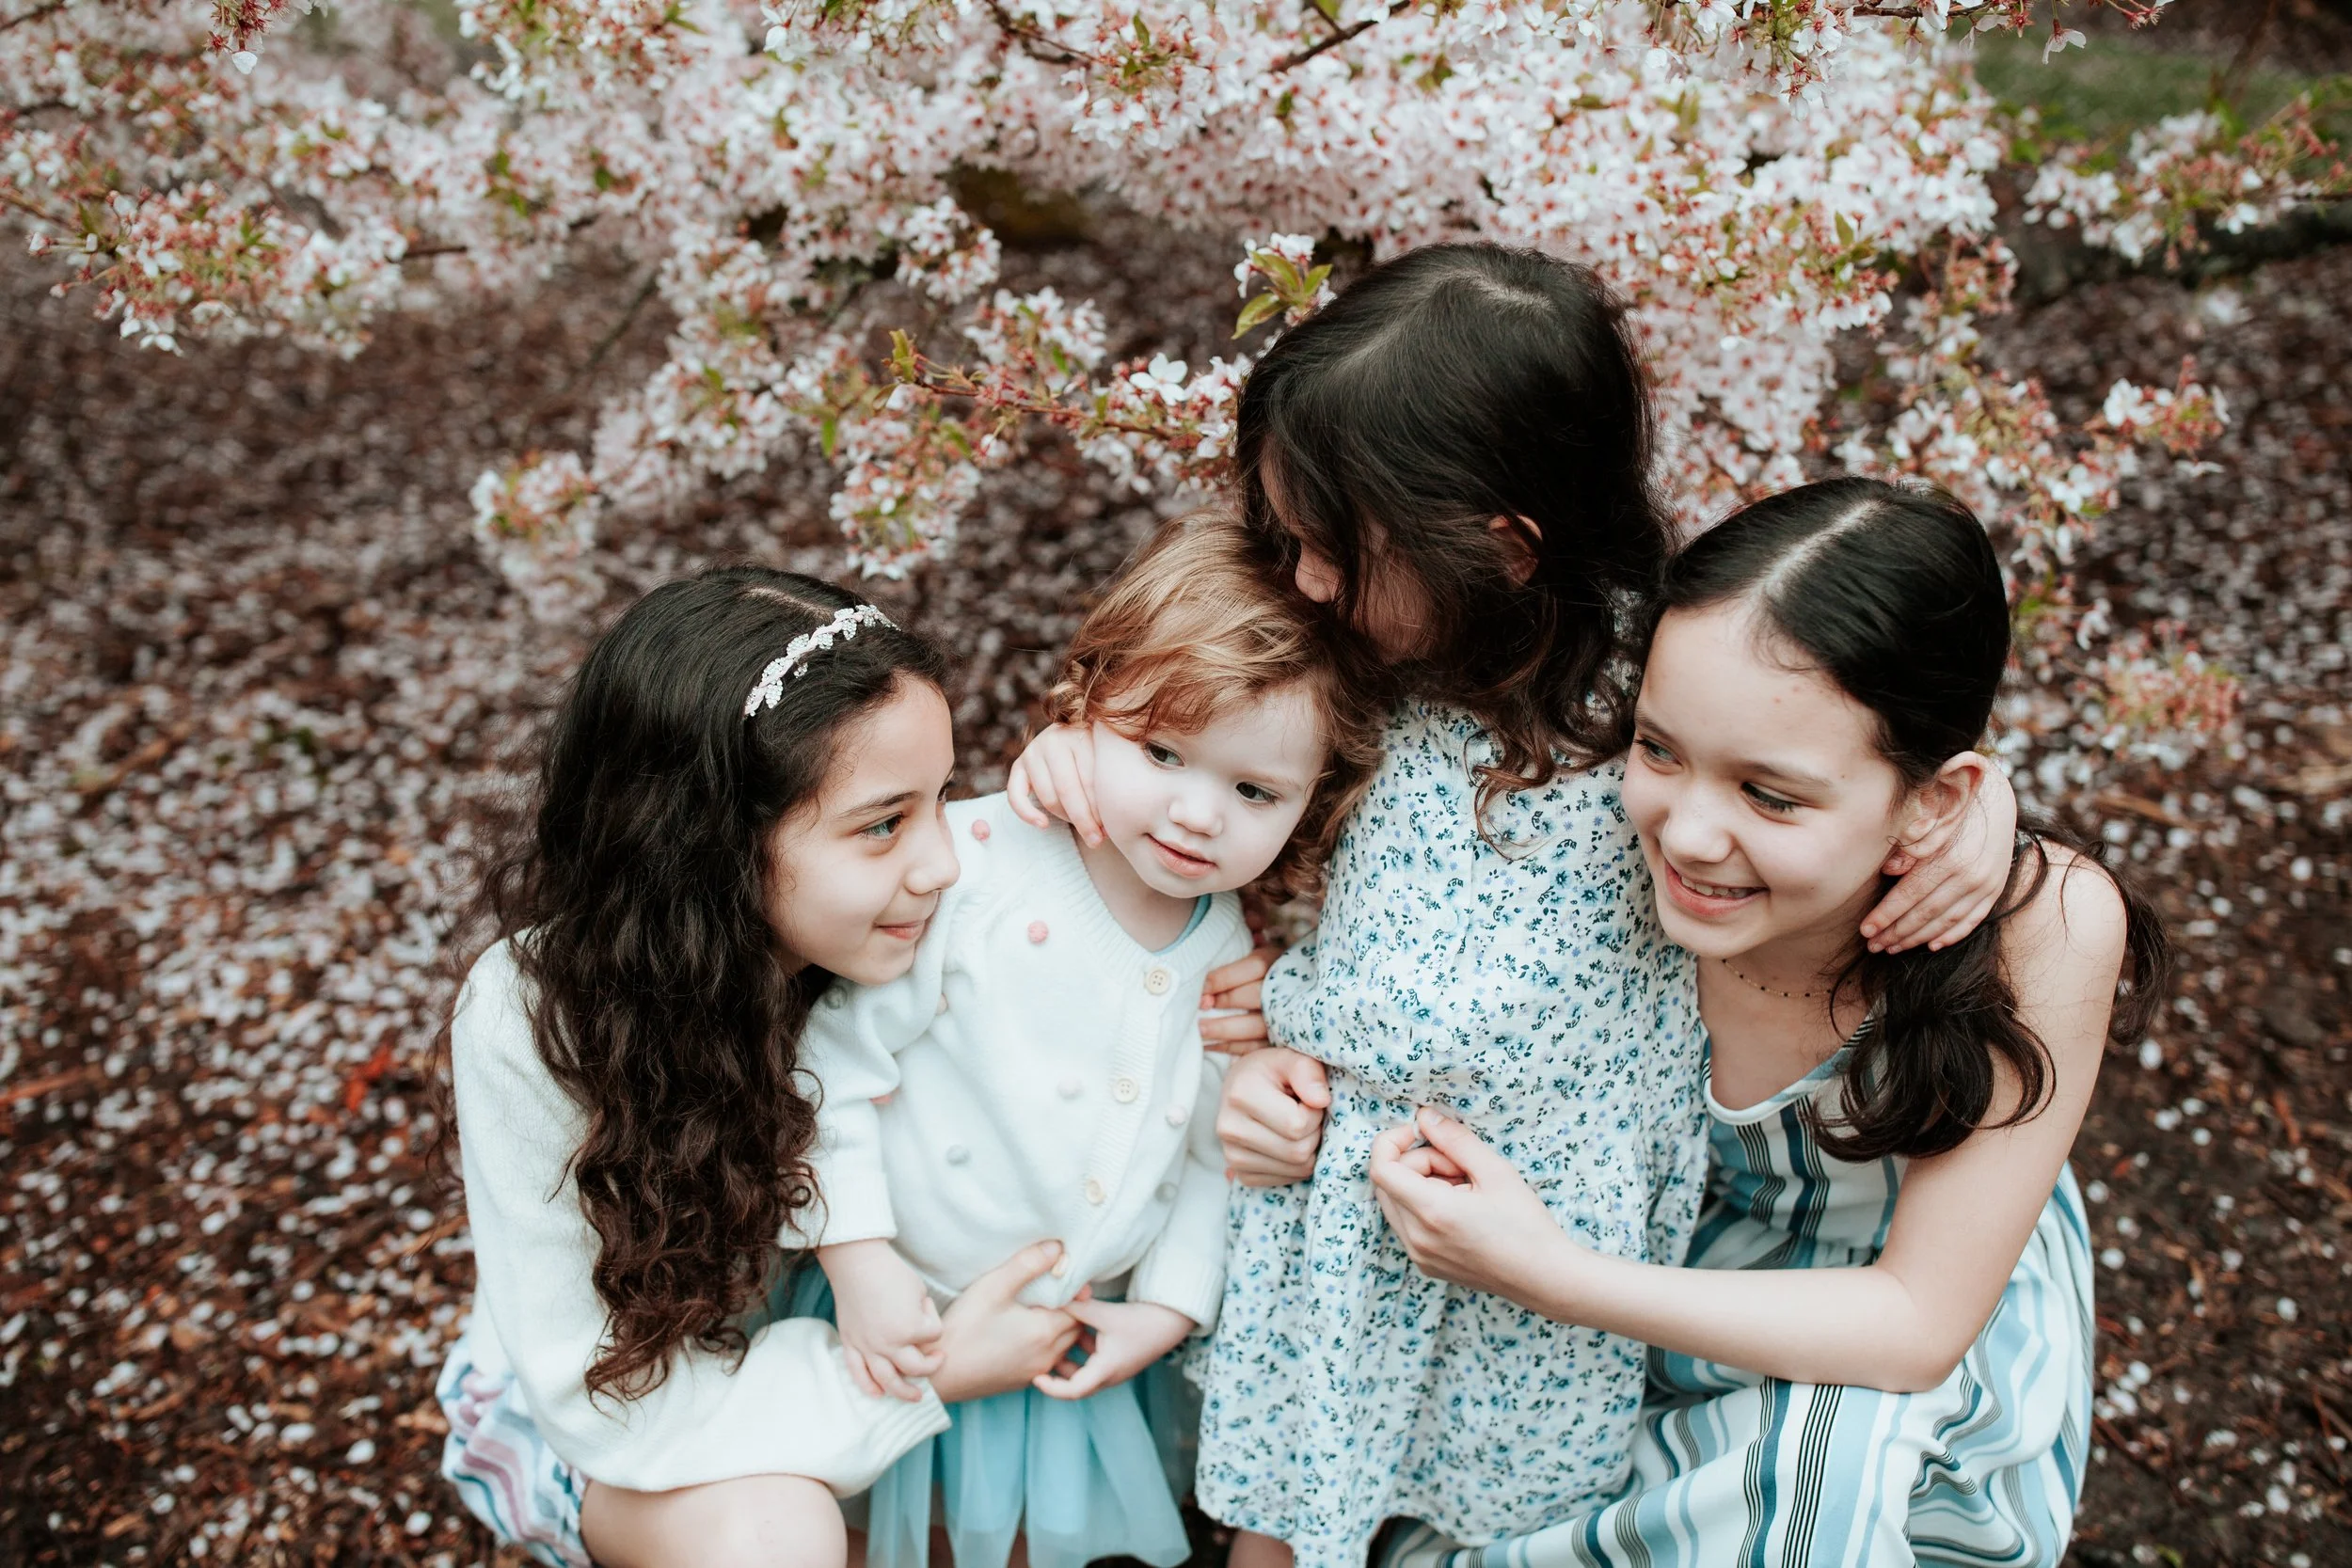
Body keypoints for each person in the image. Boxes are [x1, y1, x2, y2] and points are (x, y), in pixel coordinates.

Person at [1008, 245, 2020, 1568]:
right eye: (1291, 540)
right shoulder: (1357, 651)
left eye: (1335, 548)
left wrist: (1996, 816)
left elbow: (1831, 712)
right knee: (1286, 1496)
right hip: (1348, 1206)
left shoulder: (1655, 693)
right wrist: (1089, 740)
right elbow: (1194, 701)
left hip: (1549, 1237)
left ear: (1498, 546)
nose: (1304, 579)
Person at [1248, 478, 2169, 1567]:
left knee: (1826, 1493)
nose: (1686, 833)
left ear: (1936, 798)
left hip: (1876, 1309)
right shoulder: (1584, 811)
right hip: (1617, 1249)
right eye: (1660, 747)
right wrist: (1272, 1057)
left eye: (1770, 797)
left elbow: (1917, 1325)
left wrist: (1551, 1273)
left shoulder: (2039, 926)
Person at [435, 569, 1089, 1568]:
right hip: (637, 1432)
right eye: (882, 822)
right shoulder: (536, 1018)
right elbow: (608, 1404)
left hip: (861, 1354)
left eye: (943, 798)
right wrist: (934, 1371)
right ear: (711, 844)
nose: (944, 862)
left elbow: (1133, 938)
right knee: (775, 1537)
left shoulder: (913, 917)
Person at [797, 511, 1384, 1568]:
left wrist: (1165, 1308)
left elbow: (1214, 1151)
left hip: (1066, 1336)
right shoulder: (972, 862)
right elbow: (830, 1066)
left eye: (1253, 790)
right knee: (878, 1531)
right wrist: (856, 1259)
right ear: (1088, 703)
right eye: (1161, 751)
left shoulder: (1230, 950)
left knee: (1026, 1544)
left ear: (1308, 806)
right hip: (906, 1297)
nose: (1198, 813)